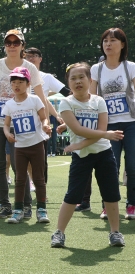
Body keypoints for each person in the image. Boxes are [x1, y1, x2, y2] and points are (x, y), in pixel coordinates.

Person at [50, 62, 125, 247]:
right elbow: (78, 129)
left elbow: (97, 131)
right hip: (81, 156)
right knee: (72, 195)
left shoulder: (99, 101)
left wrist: (80, 144)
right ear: (68, 83)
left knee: (111, 193)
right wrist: (104, 135)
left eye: (81, 77)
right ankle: (59, 233)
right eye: (73, 78)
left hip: (104, 153)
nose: (77, 81)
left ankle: (115, 232)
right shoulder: (66, 103)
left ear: (90, 80)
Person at [0, 29, 47, 220]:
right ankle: (5, 205)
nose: (12, 46)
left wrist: (46, 120)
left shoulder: (30, 68)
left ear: (23, 45)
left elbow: (40, 96)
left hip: (21, 124)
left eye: (16, 43)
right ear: (5, 46)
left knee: (19, 166)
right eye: (9, 43)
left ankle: (26, 206)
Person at [89, 28, 135, 219]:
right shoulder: (96, 69)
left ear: (122, 44)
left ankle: (131, 204)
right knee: (110, 166)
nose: (108, 44)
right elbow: (92, 98)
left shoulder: (131, 67)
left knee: (132, 166)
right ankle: (108, 205)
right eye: (105, 41)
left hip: (131, 123)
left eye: (113, 40)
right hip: (108, 126)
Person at [2, 67, 51, 224]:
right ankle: (18, 211)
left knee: (39, 178)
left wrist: (45, 126)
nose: (17, 85)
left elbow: (44, 118)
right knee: (20, 179)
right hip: (19, 147)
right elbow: (6, 124)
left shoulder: (35, 100)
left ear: (28, 83)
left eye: (20, 82)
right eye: (14, 82)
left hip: (36, 144)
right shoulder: (9, 104)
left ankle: (42, 210)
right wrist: (7, 133)